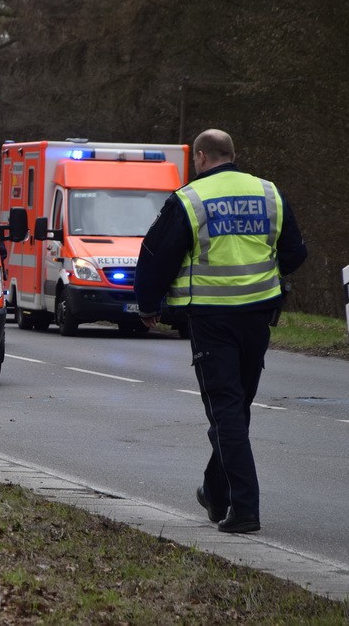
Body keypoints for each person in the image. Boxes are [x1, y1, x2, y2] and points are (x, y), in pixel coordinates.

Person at [134, 129, 307, 534]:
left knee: (226, 410)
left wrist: (147, 304)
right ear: (233, 154)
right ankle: (216, 492)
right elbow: (295, 252)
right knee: (236, 408)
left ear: (200, 156)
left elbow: (157, 255)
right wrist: (266, 275)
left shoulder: (191, 199)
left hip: (212, 319)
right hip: (258, 317)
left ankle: (245, 509)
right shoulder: (269, 193)